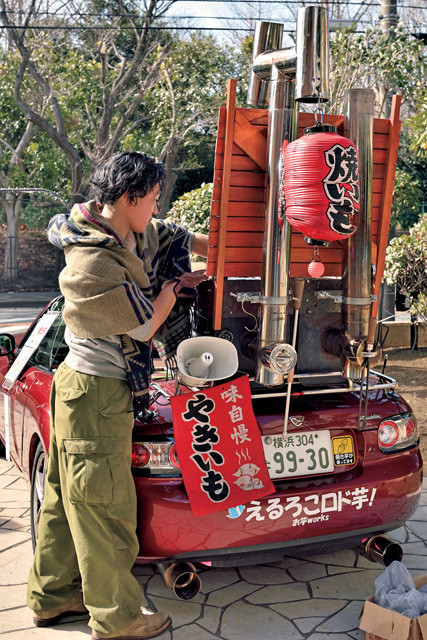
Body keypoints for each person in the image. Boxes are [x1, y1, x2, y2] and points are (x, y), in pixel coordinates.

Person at [26, 151, 209, 639]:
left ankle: (53, 595)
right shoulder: (90, 263)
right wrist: (171, 292)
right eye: (150, 199)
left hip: (80, 392)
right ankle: (118, 617)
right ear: (127, 199)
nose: (155, 207)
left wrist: (229, 246)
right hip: (96, 392)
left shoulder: (123, 231)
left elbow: (173, 234)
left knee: (68, 502)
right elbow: (145, 325)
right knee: (105, 508)